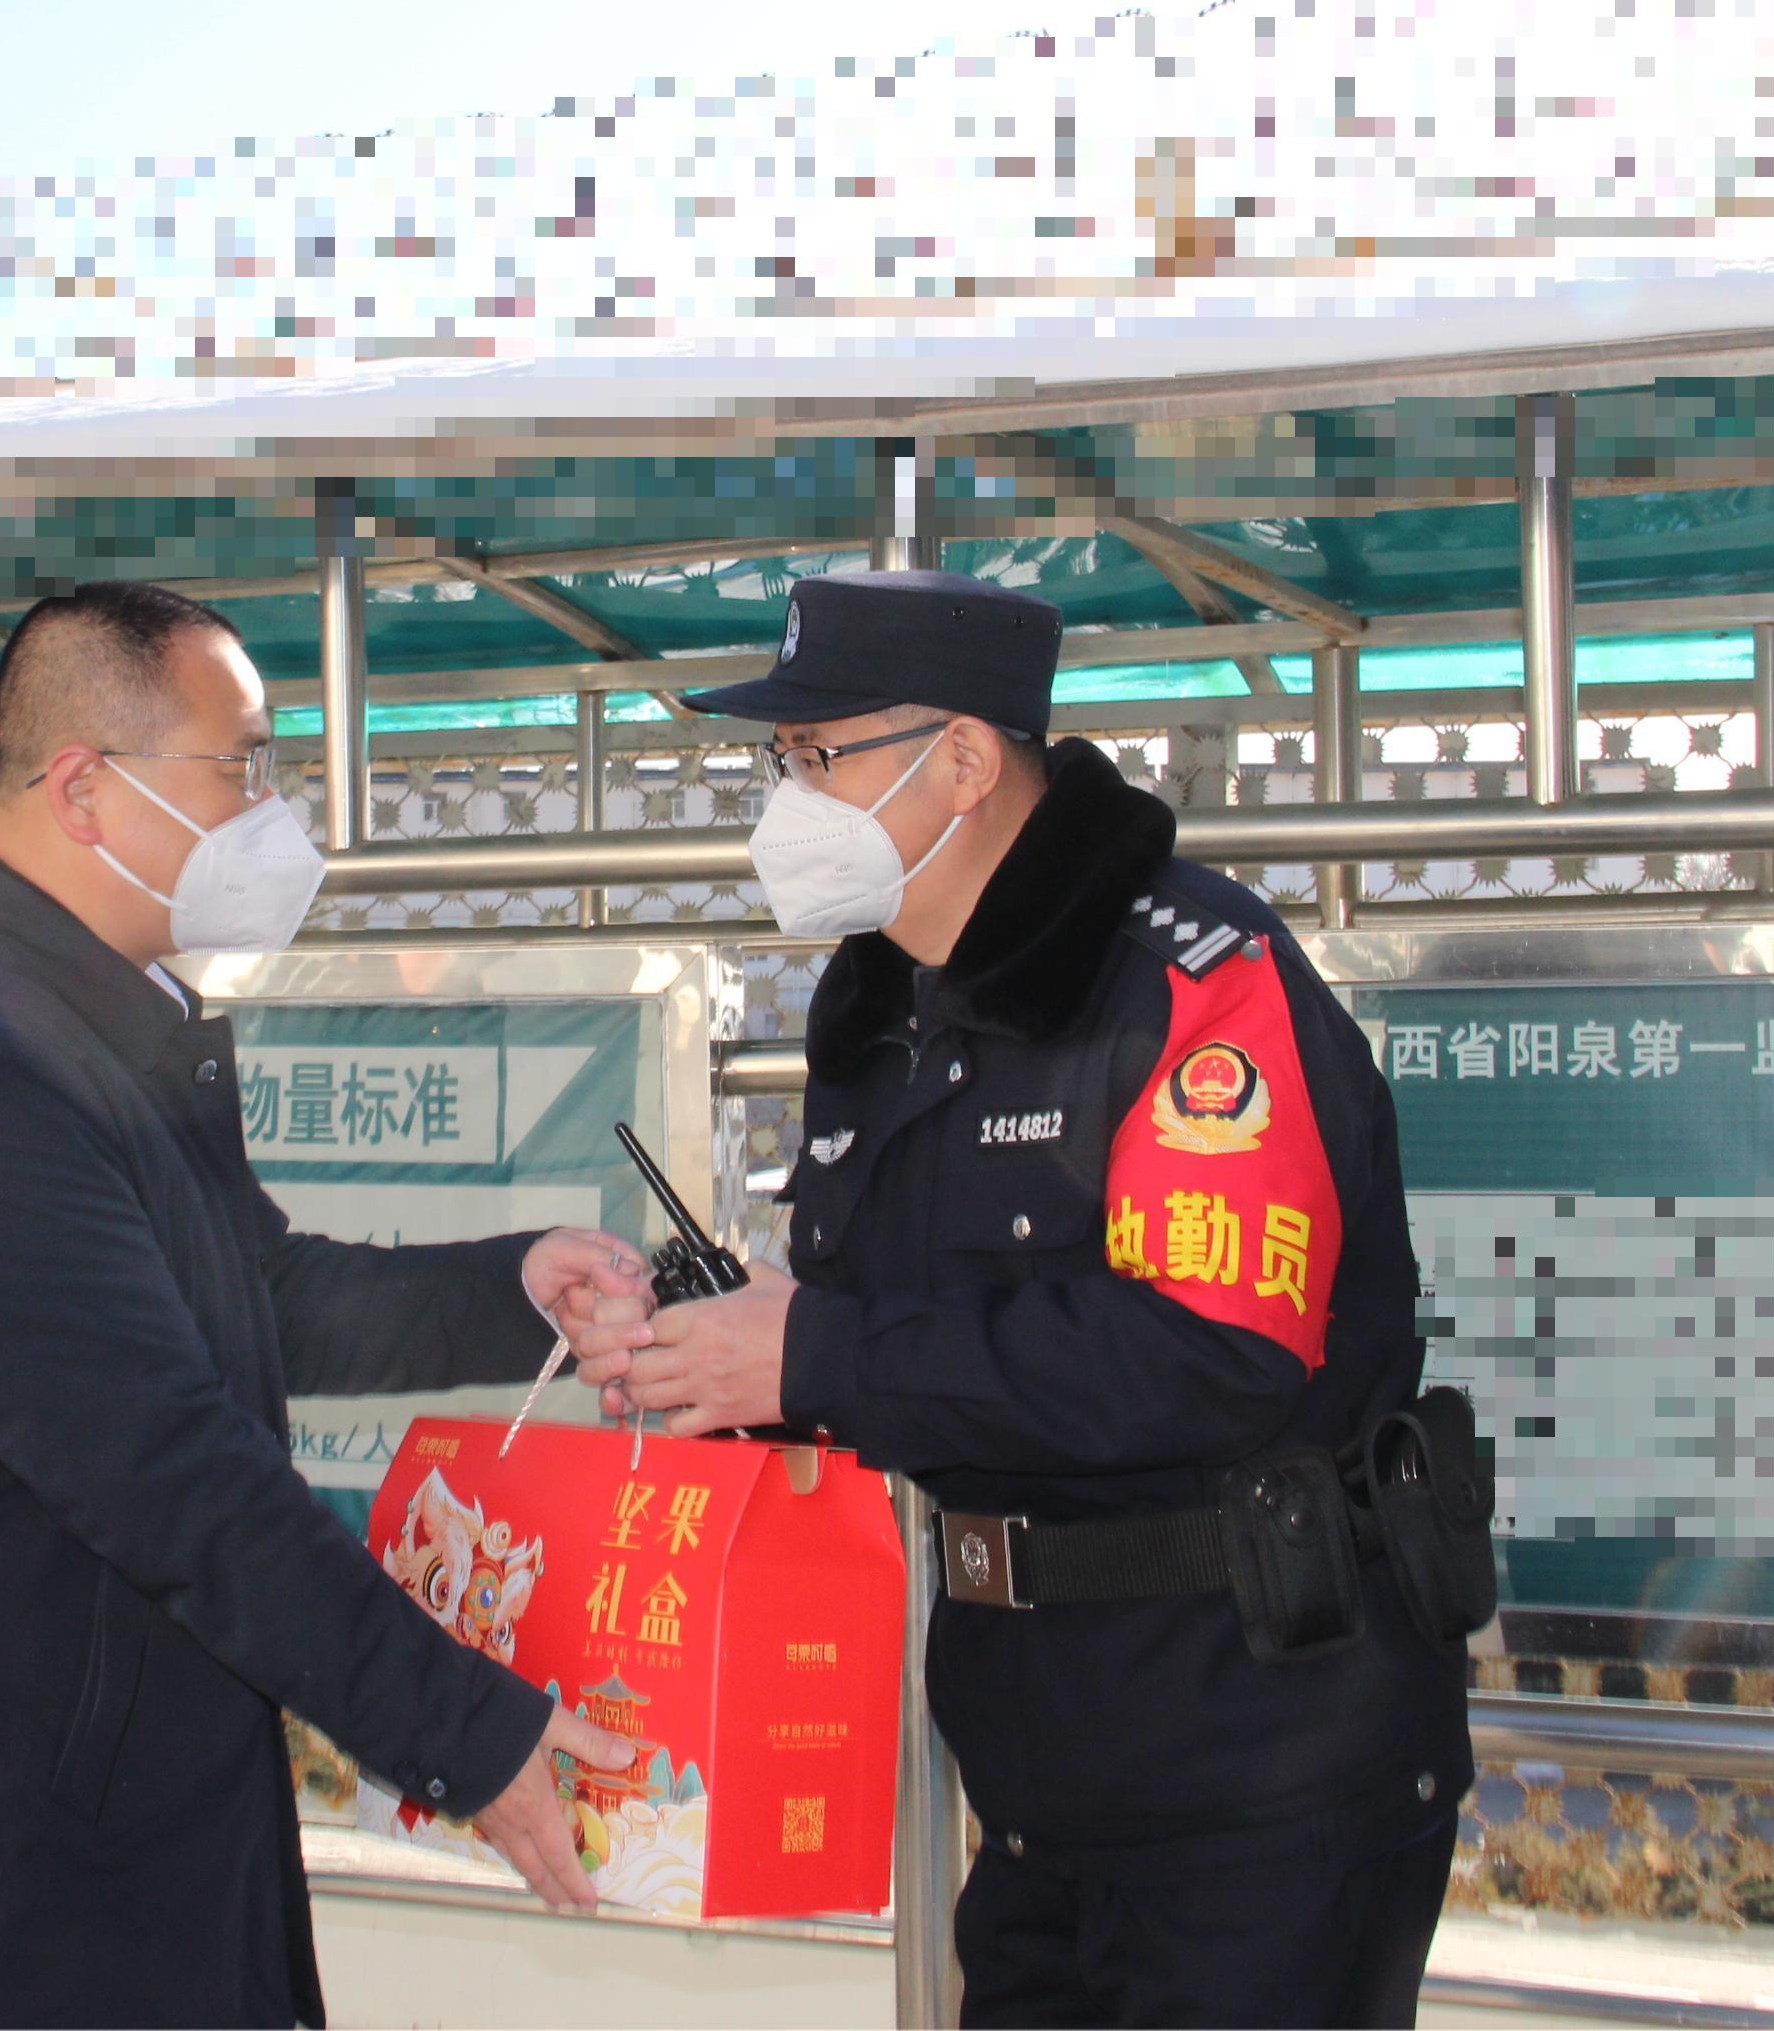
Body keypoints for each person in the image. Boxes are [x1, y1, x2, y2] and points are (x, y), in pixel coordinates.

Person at [0, 582, 645, 2029]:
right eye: (244, 769)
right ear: (85, 789)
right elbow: (172, 1473)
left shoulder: (89, 1026)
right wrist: (461, 1725)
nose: (273, 817)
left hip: (99, 1840)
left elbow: (250, 1294)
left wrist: (509, 1290)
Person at [579, 572, 1476, 2030]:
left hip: (1258, 1770)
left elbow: (1215, 1354)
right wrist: (720, 1352)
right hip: (1039, 1774)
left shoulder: (1193, 983)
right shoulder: (881, 1007)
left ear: (963, 761)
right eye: (779, 762)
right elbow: (899, 1357)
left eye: (819, 757)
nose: (787, 802)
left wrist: (818, 1353)